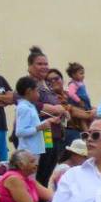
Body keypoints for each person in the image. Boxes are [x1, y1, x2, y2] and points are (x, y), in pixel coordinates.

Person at [27, 49, 67, 185]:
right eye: (39, 64)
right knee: (39, 170)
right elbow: (22, 101)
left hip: (54, 133)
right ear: (30, 67)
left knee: (48, 168)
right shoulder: (28, 84)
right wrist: (53, 109)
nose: (44, 67)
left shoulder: (47, 85)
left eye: (46, 64)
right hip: (40, 133)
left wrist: (62, 111)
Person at [12, 76, 49, 162]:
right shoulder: (24, 108)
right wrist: (38, 128)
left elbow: (32, 125)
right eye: (36, 91)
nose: (38, 94)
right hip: (28, 151)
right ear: (29, 91)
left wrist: (47, 122)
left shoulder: (30, 106)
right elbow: (20, 132)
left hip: (34, 150)